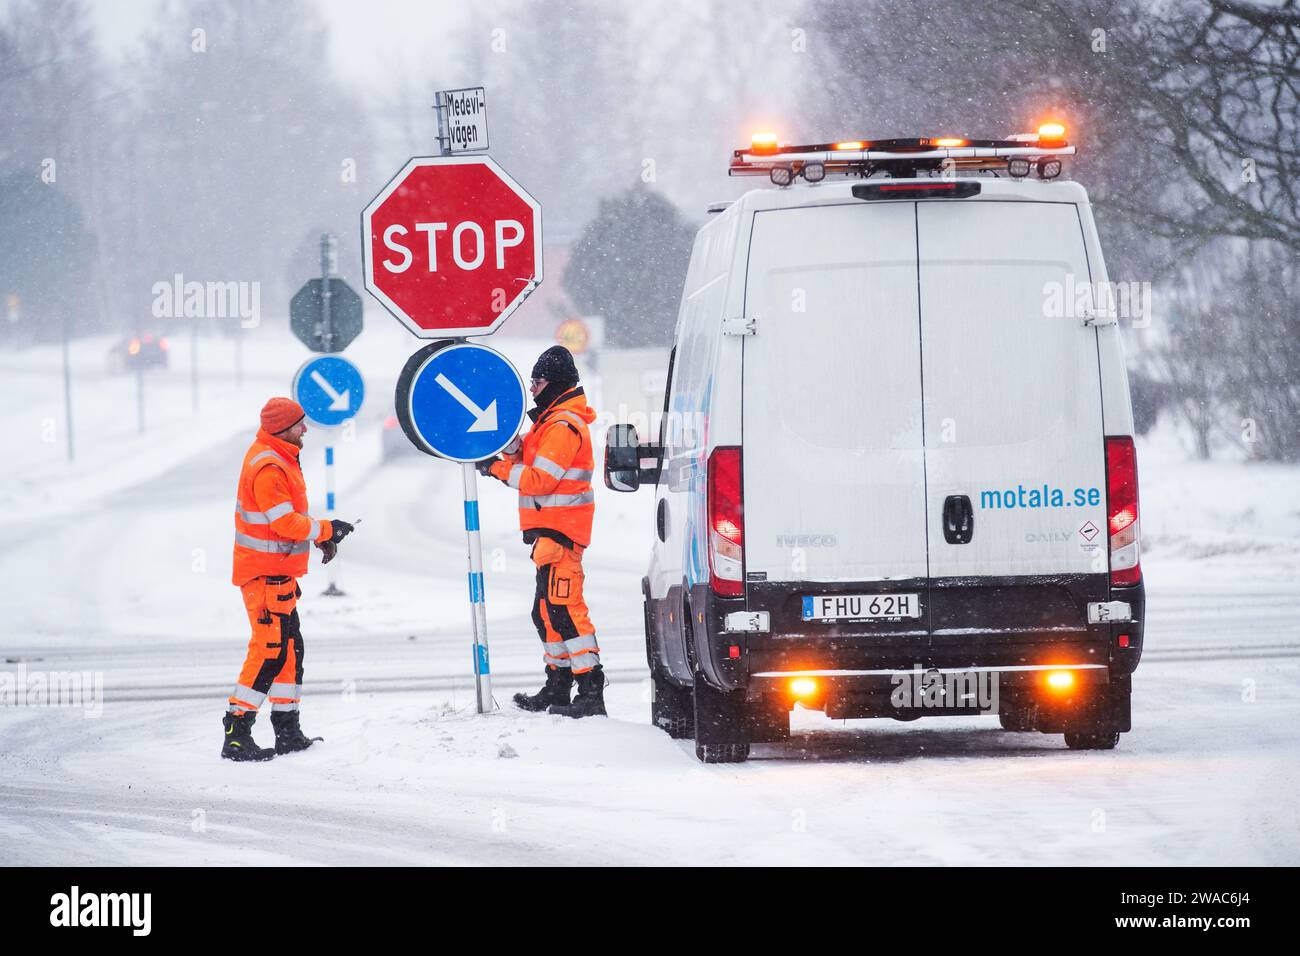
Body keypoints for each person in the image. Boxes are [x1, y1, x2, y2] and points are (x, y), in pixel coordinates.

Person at [222, 398, 356, 761]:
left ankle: (287, 730)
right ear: (283, 428)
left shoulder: (281, 456)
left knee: (288, 653)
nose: (306, 429)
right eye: (300, 425)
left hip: (278, 577)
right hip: (263, 577)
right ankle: (236, 733)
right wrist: (328, 528)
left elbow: (289, 518)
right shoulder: (268, 464)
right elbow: (284, 523)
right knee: (268, 652)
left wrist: (321, 536)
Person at [477, 346, 605, 717]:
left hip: (562, 535)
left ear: (555, 383)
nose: (532, 388)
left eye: (538, 381)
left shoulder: (563, 426)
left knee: (565, 612)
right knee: (547, 613)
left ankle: (591, 692)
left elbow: (539, 480)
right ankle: (558, 686)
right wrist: (513, 448)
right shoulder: (549, 424)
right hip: (550, 536)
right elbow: (530, 463)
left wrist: (494, 469)